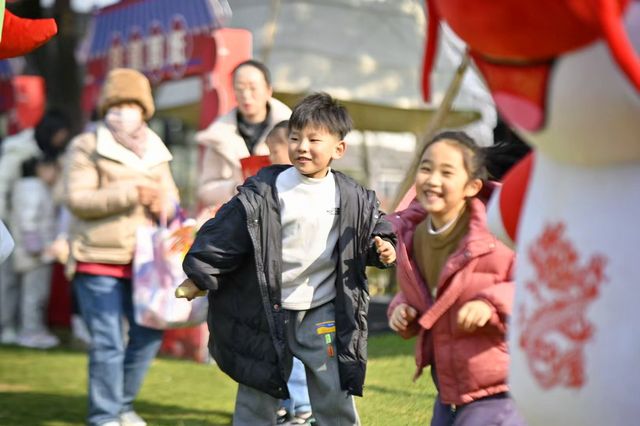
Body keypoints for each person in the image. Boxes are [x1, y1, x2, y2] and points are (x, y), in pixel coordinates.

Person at [177, 92, 397, 426]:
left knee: (333, 386)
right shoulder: (265, 189)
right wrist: (199, 275)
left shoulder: (352, 195)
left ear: (339, 149)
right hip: (267, 308)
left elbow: (372, 229)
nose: (302, 147)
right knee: (258, 386)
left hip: (322, 309)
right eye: (295, 138)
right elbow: (227, 233)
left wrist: (382, 247)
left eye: (313, 139)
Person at [64, 68, 179, 426]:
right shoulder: (86, 145)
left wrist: (166, 204)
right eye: (116, 103)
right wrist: (132, 194)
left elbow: (173, 200)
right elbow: (77, 199)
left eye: (131, 103)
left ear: (144, 109)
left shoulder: (157, 150)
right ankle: (104, 416)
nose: (122, 110)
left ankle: (122, 405)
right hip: (96, 258)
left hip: (146, 262)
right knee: (108, 342)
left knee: (148, 335)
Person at [387, 131, 525, 426]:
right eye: (426, 168)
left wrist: (490, 303)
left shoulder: (495, 234)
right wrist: (401, 308)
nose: (433, 179)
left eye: (446, 172)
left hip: (500, 388)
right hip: (449, 385)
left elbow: (530, 285)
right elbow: (425, 292)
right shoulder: (413, 238)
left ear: (472, 186)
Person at [0, 110, 71, 344]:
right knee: (10, 283)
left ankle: (22, 328)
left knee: (29, 288)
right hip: (13, 230)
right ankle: (11, 327)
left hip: (32, 237)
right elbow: (3, 191)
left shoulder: (53, 161)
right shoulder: (17, 152)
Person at [264, 120, 314, 425]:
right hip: (274, 288)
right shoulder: (271, 185)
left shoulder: (303, 188)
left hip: (298, 288)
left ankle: (303, 407)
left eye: (274, 150)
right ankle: (286, 405)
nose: (270, 157)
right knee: (277, 351)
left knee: (293, 350)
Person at [195, 59, 292, 210]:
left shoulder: (292, 129)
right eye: (239, 89)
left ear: (268, 90)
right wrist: (235, 188)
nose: (246, 95)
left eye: (253, 88)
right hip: (235, 218)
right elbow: (205, 190)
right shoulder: (217, 135)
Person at [8, 155, 60, 348]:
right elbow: (27, 221)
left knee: (30, 294)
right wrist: (36, 248)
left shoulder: (28, 187)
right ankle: (31, 331)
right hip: (35, 254)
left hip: (31, 252)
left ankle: (30, 328)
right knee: (34, 295)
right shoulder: (33, 188)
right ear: (41, 168)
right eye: (54, 168)